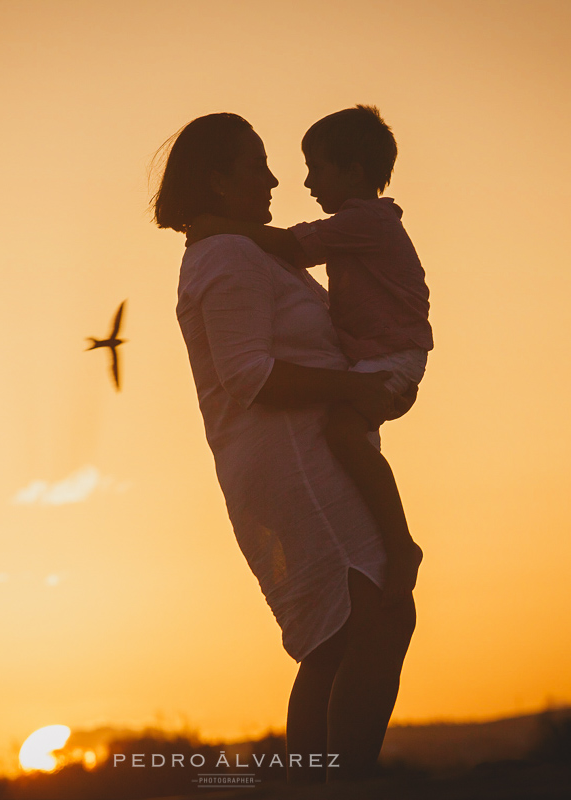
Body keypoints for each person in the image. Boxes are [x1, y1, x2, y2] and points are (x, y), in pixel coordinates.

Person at [154, 112, 418, 783]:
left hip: (304, 457)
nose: (274, 179)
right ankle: (342, 788)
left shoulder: (237, 252)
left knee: (339, 640)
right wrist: (356, 389)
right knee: (379, 614)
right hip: (295, 463)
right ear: (216, 182)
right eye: (256, 166)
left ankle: (320, 787)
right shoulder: (225, 257)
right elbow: (251, 375)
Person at [185, 106, 431, 610]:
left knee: (346, 434)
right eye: (262, 167)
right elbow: (249, 371)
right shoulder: (359, 226)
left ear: (354, 173)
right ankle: (398, 543)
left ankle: (401, 542)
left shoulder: (363, 222)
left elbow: (295, 245)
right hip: (380, 360)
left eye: (316, 168)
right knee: (368, 619)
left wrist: (217, 225)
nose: (300, 180)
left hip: (390, 357)